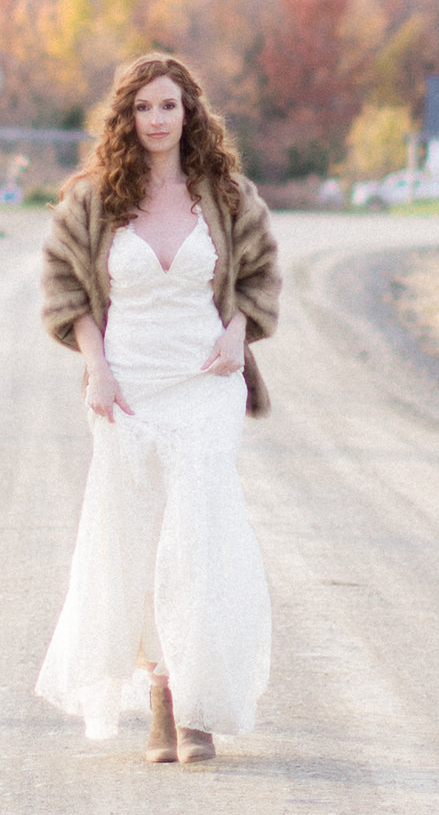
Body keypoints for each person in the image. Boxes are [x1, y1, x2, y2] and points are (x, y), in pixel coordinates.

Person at [35, 51, 280, 764]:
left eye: (168, 105)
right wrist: (96, 368)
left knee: (198, 534)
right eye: (142, 107)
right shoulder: (91, 199)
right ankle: (159, 700)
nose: (156, 119)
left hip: (205, 379)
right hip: (128, 384)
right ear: (126, 116)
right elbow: (64, 289)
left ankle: (198, 705)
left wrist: (238, 329)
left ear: (189, 112)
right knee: (135, 537)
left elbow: (260, 275)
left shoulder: (228, 195)